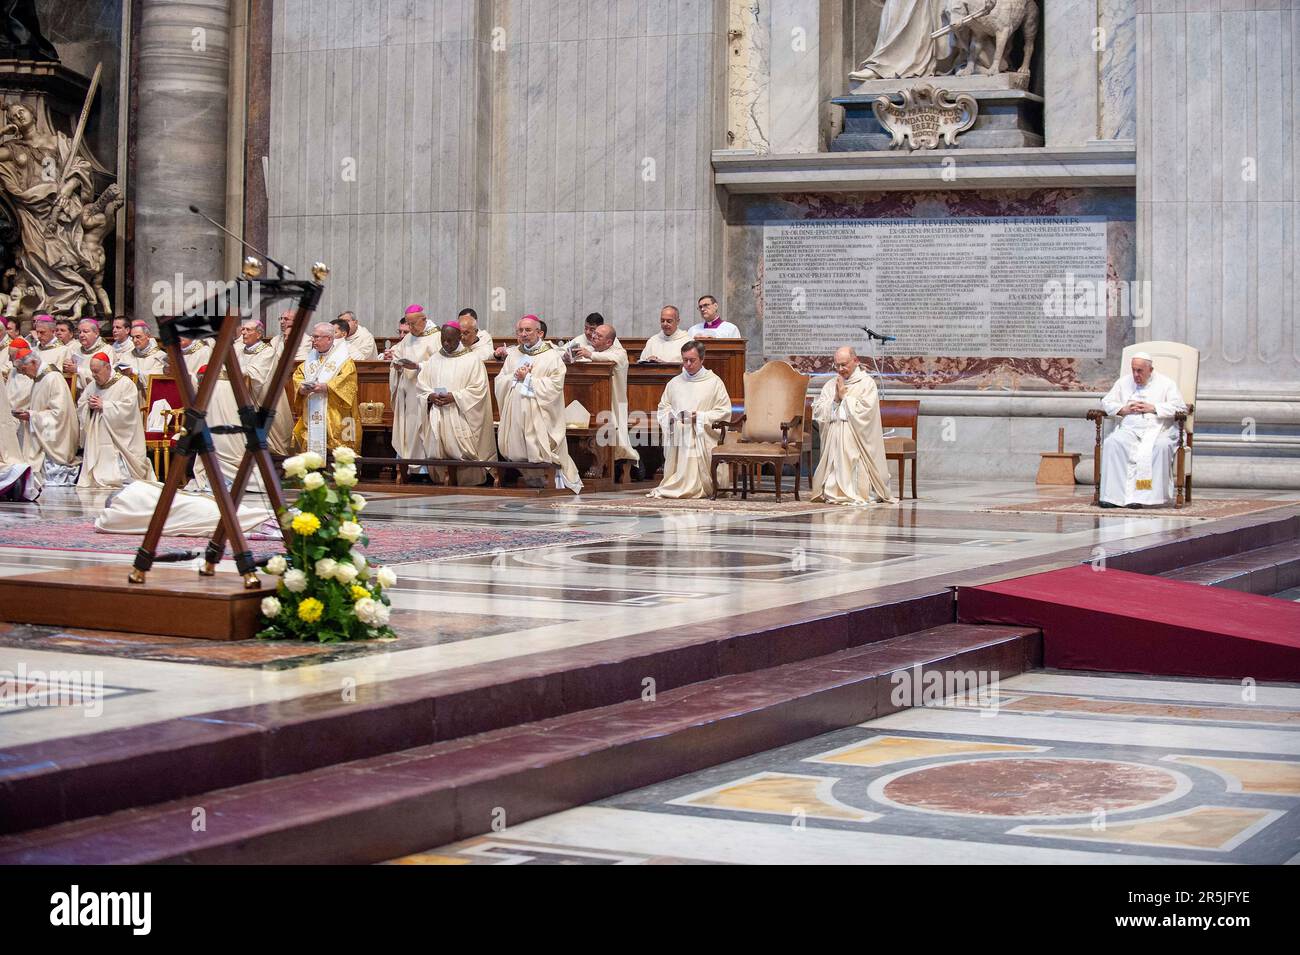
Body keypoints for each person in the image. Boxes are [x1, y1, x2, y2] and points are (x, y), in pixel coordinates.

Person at [495, 314, 582, 493]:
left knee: (539, 447)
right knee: (519, 449)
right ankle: (530, 479)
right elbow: (500, 379)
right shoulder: (513, 355)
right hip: (516, 410)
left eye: (528, 330)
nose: (523, 334)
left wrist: (528, 378)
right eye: (520, 331)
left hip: (539, 411)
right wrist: (513, 377)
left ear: (539, 333)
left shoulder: (551, 356)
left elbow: (555, 385)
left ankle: (552, 478)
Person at [1098, 351, 1188, 508]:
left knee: (1160, 447)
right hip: (1130, 429)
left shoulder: (1166, 384)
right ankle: (1113, 497)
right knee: (1112, 442)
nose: (1135, 374)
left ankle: (1145, 498)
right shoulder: (1123, 382)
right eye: (1133, 370)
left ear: (1150, 370)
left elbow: (1181, 407)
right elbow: (1107, 402)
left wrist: (1154, 407)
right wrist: (1123, 409)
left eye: (1140, 371)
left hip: (1160, 429)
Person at [811, 346, 896, 505]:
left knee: (850, 443)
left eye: (844, 365)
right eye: (837, 365)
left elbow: (867, 412)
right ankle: (834, 490)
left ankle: (857, 491)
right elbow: (819, 410)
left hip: (858, 439)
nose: (840, 369)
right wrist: (835, 399)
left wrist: (845, 398)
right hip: (835, 439)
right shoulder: (831, 384)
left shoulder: (867, 383)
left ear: (855, 361)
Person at [648, 340, 732, 499]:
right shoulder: (674, 383)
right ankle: (678, 482)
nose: (687, 364)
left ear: (702, 359)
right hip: (680, 437)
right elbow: (663, 408)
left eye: (692, 360)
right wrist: (671, 417)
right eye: (684, 360)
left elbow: (724, 411)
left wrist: (699, 417)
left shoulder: (714, 383)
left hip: (703, 436)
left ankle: (703, 484)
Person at [415, 321, 496, 485]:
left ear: (460, 337)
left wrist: (455, 397)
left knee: (462, 451)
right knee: (438, 449)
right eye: (443, 339)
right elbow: (421, 384)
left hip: (461, 414)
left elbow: (478, 389)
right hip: (438, 412)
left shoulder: (472, 360)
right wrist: (430, 395)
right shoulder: (434, 359)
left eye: (450, 340)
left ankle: (468, 479)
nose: (446, 343)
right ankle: (440, 477)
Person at [564, 322, 639, 470]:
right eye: (594, 333)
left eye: (599, 335)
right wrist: (567, 357)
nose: (593, 336)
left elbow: (607, 358)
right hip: (590, 402)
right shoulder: (590, 349)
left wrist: (590, 355)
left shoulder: (619, 353)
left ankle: (624, 464)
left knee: (618, 440)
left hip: (611, 402)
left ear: (609, 342)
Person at [76, 353, 154, 489]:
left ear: (107, 368)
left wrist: (104, 405)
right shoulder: (93, 385)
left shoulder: (125, 384)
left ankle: (119, 477)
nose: (93, 375)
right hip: (98, 433)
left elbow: (128, 409)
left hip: (120, 436)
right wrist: (88, 406)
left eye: (96, 371)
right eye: (92, 371)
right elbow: (81, 403)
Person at [11, 348, 79, 490]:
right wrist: (29, 414)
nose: (23, 373)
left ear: (34, 362)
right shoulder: (39, 378)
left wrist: (32, 416)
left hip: (55, 439)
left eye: (23, 369)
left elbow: (60, 414)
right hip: (42, 430)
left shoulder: (53, 378)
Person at [383, 304, 440, 471]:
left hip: (425, 393)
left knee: (423, 429)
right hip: (407, 393)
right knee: (408, 429)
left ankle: (425, 470)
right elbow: (398, 355)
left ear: (424, 319)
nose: (410, 328)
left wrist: (419, 366)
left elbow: (442, 365)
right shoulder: (408, 338)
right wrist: (396, 364)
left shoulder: (437, 337)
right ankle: (408, 468)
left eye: (413, 324)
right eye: (408, 324)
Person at [292, 322, 360, 457]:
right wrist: (301, 389)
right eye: (313, 336)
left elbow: (349, 383)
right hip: (312, 413)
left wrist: (327, 387)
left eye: (317, 337)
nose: (313, 340)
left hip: (334, 414)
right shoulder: (310, 359)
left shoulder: (343, 360)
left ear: (329, 338)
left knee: (335, 449)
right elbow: (298, 375)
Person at [237, 318, 295, 456]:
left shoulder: (267, 352)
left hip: (262, 399)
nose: (243, 333)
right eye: (243, 329)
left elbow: (256, 374)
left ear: (258, 334)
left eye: (248, 330)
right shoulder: (239, 350)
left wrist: (234, 370)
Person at [63, 318, 109, 387]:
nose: (81, 335)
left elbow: (105, 376)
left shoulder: (107, 350)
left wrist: (78, 370)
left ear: (96, 333)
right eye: (79, 332)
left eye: (85, 331)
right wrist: (66, 367)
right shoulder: (74, 349)